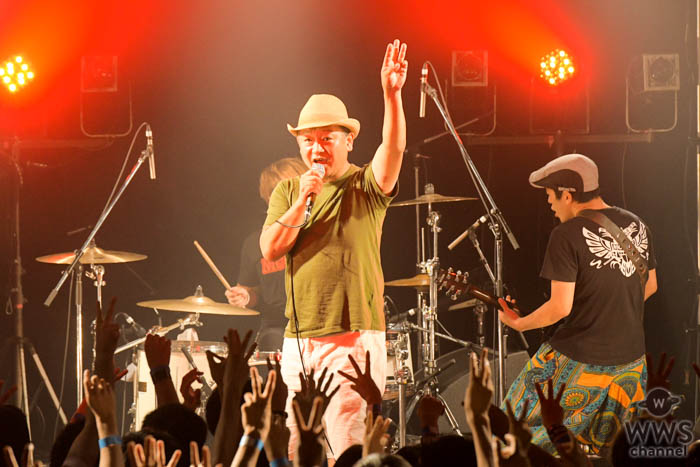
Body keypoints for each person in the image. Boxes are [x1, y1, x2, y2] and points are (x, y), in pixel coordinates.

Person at [259, 39, 408, 460]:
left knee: (349, 448)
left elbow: (394, 149)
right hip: (299, 338)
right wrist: (302, 201)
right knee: (295, 448)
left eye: (326, 138)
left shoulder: (365, 185)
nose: (316, 148)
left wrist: (391, 95)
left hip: (353, 335)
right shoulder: (289, 191)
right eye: (307, 140)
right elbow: (270, 249)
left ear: (349, 141)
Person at [498, 153, 658, 455]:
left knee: (513, 428)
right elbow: (650, 285)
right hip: (631, 364)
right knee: (608, 452)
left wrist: (518, 323)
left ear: (567, 194)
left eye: (550, 197)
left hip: (580, 359)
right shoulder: (637, 225)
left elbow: (560, 308)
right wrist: (610, 312)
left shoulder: (565, 235)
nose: (551, 205)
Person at [225, 157, 307, 351]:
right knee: (271, 340)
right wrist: (246, 297)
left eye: (288, 189)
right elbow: (253, 292)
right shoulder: (256, 242)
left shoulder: (324, 231)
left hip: (324, 324)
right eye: (274, 193)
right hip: (277, 327)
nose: (281, 197)